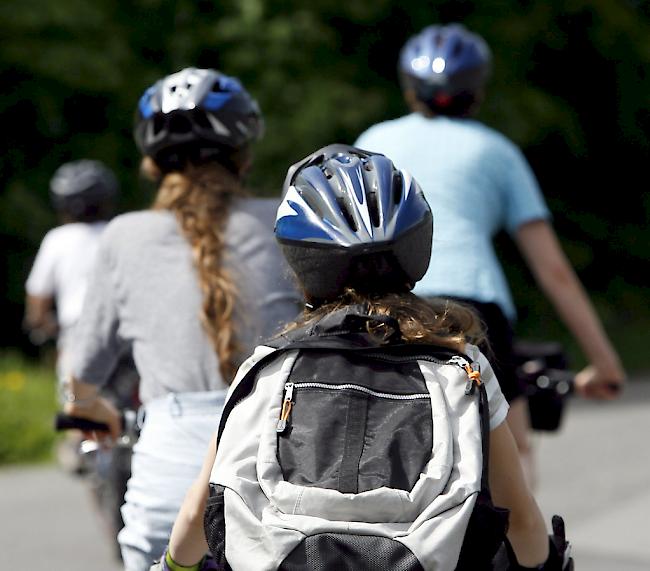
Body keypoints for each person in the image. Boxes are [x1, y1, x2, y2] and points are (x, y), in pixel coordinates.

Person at [148, 145, 572, 571]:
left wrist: (172, 566)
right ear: (416, 248)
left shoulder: (266, 368)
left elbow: (198, 512)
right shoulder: (462, 368)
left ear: (301, 262)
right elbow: (520, 520)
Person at [353, 23, 626, 486]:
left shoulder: (374, 140)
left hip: (387, 304)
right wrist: (605, 364)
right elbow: (554, 271)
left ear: (409, 88)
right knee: (513, 455)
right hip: (474, 308)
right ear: (476, 90)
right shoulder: (498, 152)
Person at [62, 67, 301, 571]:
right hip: (280, 474)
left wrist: (87, 405)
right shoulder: (286, 223)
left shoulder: (123, 236)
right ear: (245, 155)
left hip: (168, 495)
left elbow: (80, 374)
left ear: (151, 164)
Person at [24, 159, 119, 384]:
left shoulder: (57, 239)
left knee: (78, 407)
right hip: (121, 332)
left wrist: (44, 325)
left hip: (78, 333)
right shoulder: (118, 233)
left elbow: (37, 305)